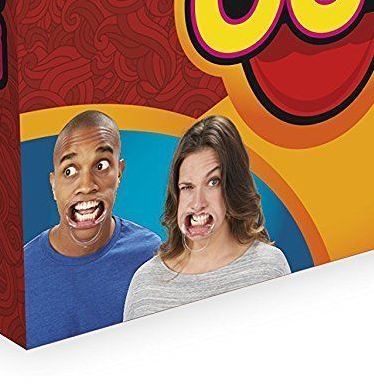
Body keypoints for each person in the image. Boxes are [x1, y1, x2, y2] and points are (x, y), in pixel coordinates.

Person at [123, 116, 290, 320]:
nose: (197, 203)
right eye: (187, 187)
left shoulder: (268, 268)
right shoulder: (146, 285)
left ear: (233, 188)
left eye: (213, 183)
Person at [23, 110, 161, 348]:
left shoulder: (151, 255)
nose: (86, 185)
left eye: (101, 165)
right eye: (70, 170)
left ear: (119, 173)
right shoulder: (20, 271)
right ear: (54, 185)